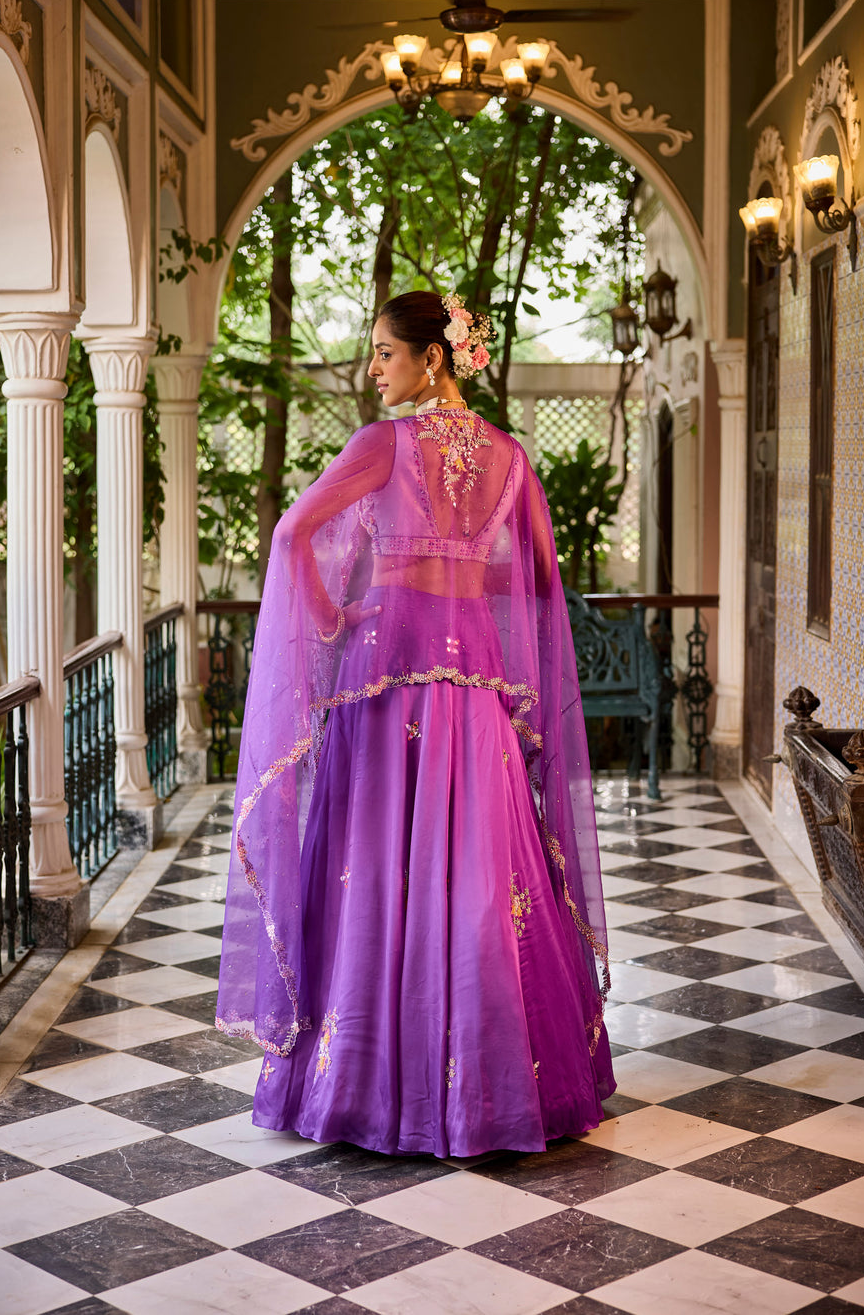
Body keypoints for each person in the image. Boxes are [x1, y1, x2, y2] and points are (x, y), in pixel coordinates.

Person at [216, 290, 614, 1158]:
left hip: (388, 679)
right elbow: (540, 587)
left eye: (385, 354)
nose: (374, 370)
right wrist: (471, 604)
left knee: (377, 870)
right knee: (480, 868)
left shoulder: (383, 444)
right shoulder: (508, 458)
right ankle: (497, 1092)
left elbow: (293, 537)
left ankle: (363, 1084)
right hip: (474, 689)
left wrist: (339, 613)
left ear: (432, 358)